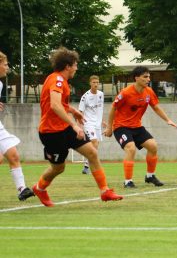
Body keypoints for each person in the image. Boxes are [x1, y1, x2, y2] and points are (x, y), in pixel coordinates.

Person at [32, 47, 123, 207]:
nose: (76, 68)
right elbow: (54, 105)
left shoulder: (61, 81)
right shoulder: (57, 80)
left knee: (92, 153)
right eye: (75, 65)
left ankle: (105, 191)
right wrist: (74, 125)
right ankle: (39, 188)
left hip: (64, 128)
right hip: (51, 132)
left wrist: (73, 111)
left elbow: (60, 104)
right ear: (67, 66)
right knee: (58, 168)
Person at [104, 66, 177, 188]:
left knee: (153, 146)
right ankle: (128, 181)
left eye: (149, 76)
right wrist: (109, 128)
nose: (148, 79)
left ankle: (150, 176)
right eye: (145, 77)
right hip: (121, 126)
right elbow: (113, 108)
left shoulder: (149, 92)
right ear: (136, 78)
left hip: (137, 127)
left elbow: (156, 107)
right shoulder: (126, 93)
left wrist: (168, 120)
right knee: (131, 149)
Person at [0, 51, 34, 201]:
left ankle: (22, 189)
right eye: (5, 64)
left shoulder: (0, 84)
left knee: (13, 154)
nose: (7, 68)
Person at [78, 75, 106, 174]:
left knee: (96, 144)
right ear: (90, 83)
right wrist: (80, 127)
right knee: (94, 142)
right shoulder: (85, 96)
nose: (95, 84)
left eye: (97, 82)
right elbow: (80, 112)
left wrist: (102, 121)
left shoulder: (101, 94)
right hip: (88, 123)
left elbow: (100, 109)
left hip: (97, 124)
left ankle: (86, 167)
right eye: (94, 82)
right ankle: (94, 166)